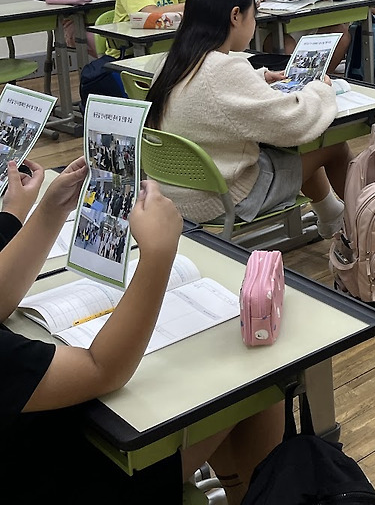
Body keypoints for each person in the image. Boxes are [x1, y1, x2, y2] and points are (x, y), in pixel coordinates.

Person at [1, 159, 282, 503]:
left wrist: (49, 210)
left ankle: (244, 488)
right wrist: (158, 255)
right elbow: (101, 369)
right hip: (62, 475)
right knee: (257, 381)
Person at [145, 0, 349, 237]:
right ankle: (359, 228)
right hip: (222, 198)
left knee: (293, 151)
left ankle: (331, 214)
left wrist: (259, 77)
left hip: (171, 190)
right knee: (331, 144)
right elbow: (294, 123)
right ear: (235, 16)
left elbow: (211, 92)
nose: (254, 24)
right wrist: (320, 89)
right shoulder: (225, 69)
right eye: (254, 16)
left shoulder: (171, 61)